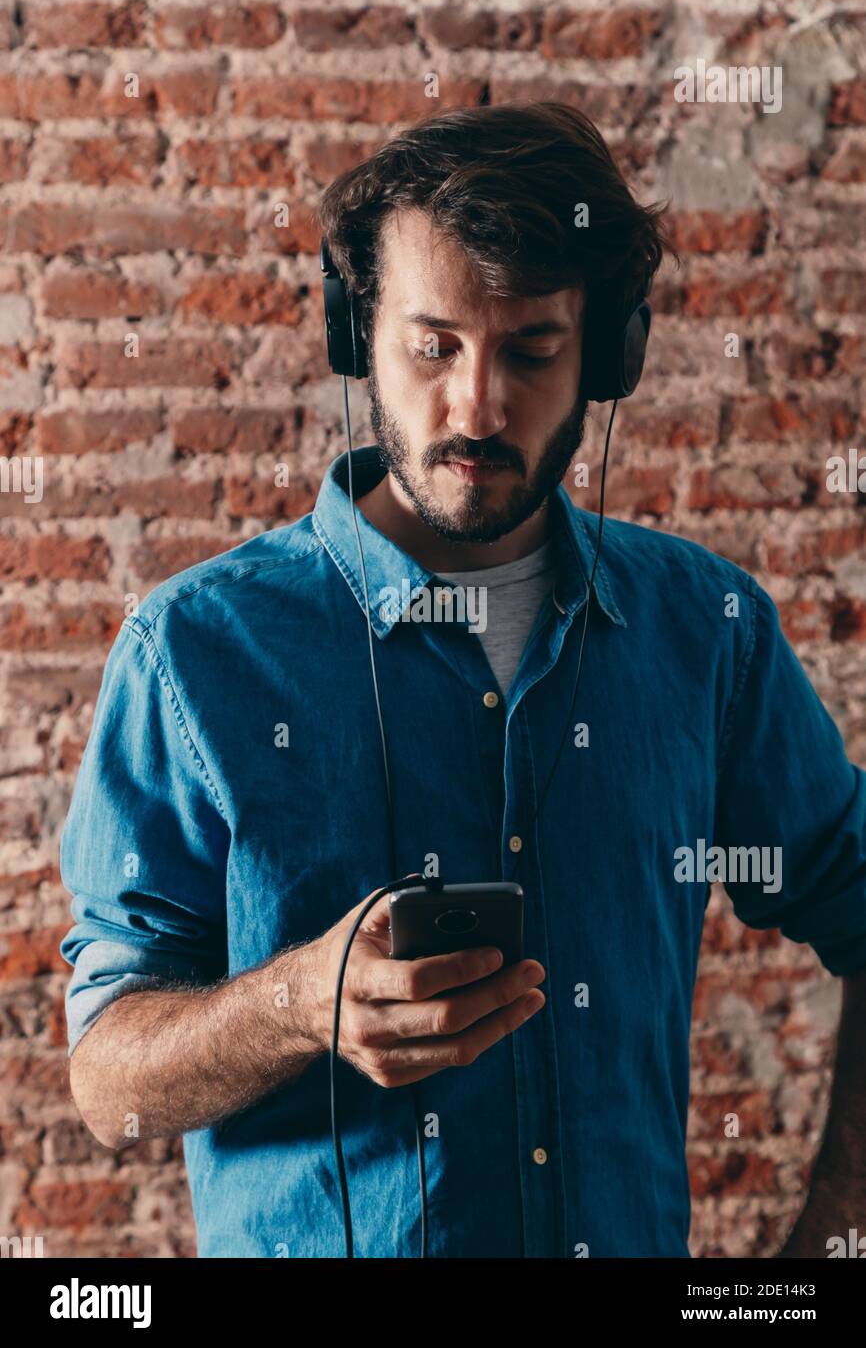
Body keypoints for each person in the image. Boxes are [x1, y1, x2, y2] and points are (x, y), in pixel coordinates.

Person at [60, 102, 866, 1259]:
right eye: (431, 345)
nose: (476, 407)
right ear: (357, 336)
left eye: (530, 350)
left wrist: (829, 1239)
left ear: (607, 355)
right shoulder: (192, 652)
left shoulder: (708, 633)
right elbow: (105, 1077)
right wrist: (297, 1004)